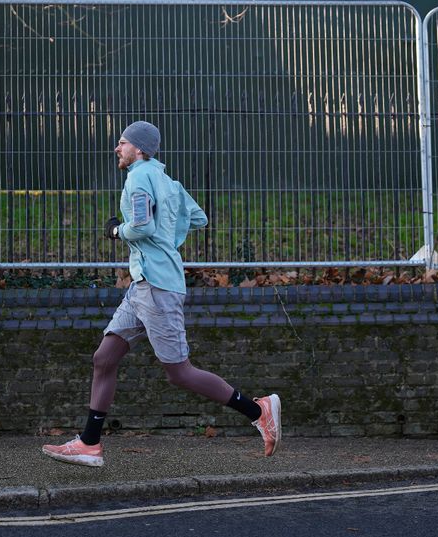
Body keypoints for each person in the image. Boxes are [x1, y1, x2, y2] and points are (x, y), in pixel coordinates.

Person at [42, 121, 281, 467]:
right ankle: (89, 444)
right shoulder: (169, 182)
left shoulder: (138, 177)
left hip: (156, 288)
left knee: (179, 372)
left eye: (122, 143)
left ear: (138, 149)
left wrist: (116, 230)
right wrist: (167, 242)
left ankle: (257, 410)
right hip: (143, 287)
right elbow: (197, 218)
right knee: (104, 358)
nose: (117, 148)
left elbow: (142, 226)